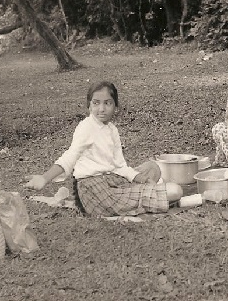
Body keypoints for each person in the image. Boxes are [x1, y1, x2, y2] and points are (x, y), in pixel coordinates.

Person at [24, 81, 183, 217]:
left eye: (107, 103)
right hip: (93, 189)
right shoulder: (86, 127)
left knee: (152, 167)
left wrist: (138, 177)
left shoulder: (112, 129)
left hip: (111, 178)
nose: (101, 109)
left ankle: (140, 191)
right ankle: (145, 195)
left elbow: (120, 166)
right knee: (175, 191)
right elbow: (69, 157)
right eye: (96, 103)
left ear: (116, 107)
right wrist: (45, 178)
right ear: (89, 106)